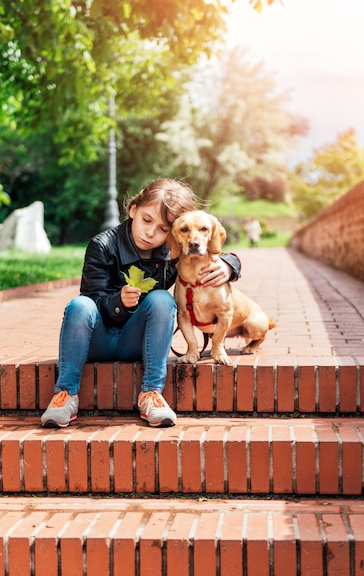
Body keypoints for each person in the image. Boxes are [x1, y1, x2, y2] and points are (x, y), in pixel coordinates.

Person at [41, 178, 241, 429]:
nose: (151, 233)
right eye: (147, 220)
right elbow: (91, 299)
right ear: (133, 209)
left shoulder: (171, 253)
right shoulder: (102, 245)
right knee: (79, 305)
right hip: (97, 340)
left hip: (137, 342)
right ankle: (66, 394)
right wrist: (118, 302)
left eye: (163, 229)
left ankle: (151, 394)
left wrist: (230, 265)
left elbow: (210, 249)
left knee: (162, 299)